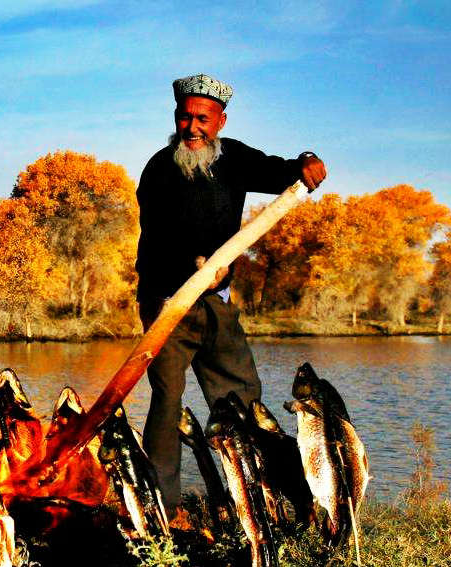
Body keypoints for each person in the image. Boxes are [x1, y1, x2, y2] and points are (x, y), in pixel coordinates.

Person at [135, 73, 326, 527]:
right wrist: (192, 267)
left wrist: (308, 161)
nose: (193, 126)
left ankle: (266, 500)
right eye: (185, 116)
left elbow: (285, 171)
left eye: (203, 117)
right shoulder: (159, 169)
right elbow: (156, 236)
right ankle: (164, 509)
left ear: (220, 120)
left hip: (217, 303)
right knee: (167, 402)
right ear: (175, 118)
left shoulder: (236, 158)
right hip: (168, 304)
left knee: (242, 398)